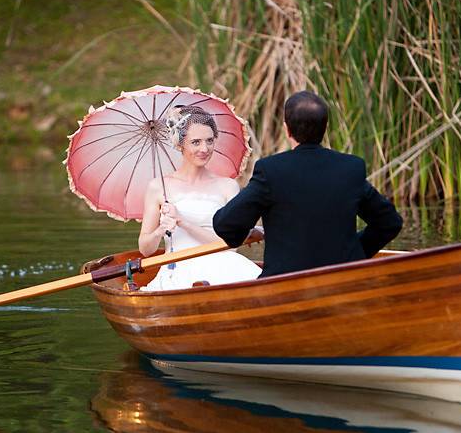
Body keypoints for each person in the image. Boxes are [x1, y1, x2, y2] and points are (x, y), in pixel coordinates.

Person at [213, 90, 402, 278]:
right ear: (325, 127)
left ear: (287, 129)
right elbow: (389, 222)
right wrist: (354, 256)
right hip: (344, 279)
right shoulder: (351, 168)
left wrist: (241, 233)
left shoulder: (270, 171)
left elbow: (226, 226)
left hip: (284, 284)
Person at [138, 105, 262, 291]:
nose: (204, 148)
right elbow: (145, 250)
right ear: (180, 144)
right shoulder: (158, 187)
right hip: (178, 268)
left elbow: (231, 246)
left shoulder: (227, 186)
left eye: (209, 141)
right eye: (196, 142)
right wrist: (161, 229)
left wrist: (182, 221)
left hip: (226, 266)